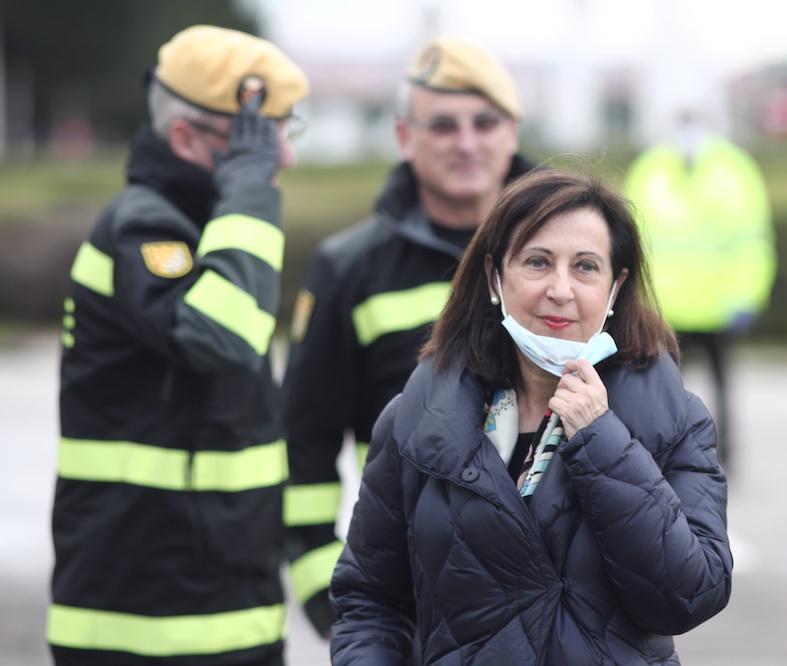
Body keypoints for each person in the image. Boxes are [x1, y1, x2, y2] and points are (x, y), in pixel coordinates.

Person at [330, 170, 732, 664]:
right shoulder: (415, 421)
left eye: (586, 267)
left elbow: (691, 594)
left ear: (615, 288)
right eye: (538, 262)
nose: (560, 289)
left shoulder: (674, 418)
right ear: (494, 278)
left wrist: (602, 440)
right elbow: (368, 599)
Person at [48, 25, 308, 665]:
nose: (283, 160)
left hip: (231, 612)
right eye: (257, 139)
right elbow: (224, 336)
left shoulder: (213, 228)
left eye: (282, 133)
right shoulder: (144, 227)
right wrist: (249, 191)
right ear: (187, 137)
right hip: (139, 627)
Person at [281, 36, 534, 636]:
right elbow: (303, 444)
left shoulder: (576, 254)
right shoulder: (349, 271)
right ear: (404, 137)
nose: (466, 142)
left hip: (558, 606)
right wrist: (334, 603)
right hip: (415, 609)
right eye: (443, 125)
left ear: (513, 131)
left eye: (484, 122)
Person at [624, 109, 776, 470]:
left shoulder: (734, 169)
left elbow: (751, 239)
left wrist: (746, 296)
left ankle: (726, 454)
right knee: (663, 387)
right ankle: (666, 452)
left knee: (720, 385)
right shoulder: (650, 169)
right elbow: (629, 237)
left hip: (717, 305)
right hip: (665, 307)